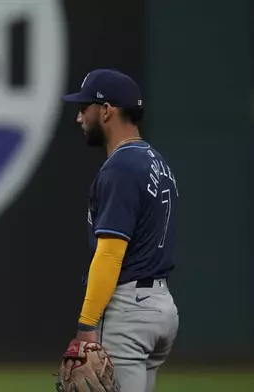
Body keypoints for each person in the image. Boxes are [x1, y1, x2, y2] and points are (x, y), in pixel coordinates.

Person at [58, 69, 180, 392]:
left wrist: (86, 327)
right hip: (160, 306)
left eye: (85, 108)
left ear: (107, 110)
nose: (79, 117)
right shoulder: (156, 161)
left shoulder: (121, 168)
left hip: (128, 312)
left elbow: (110, 254)